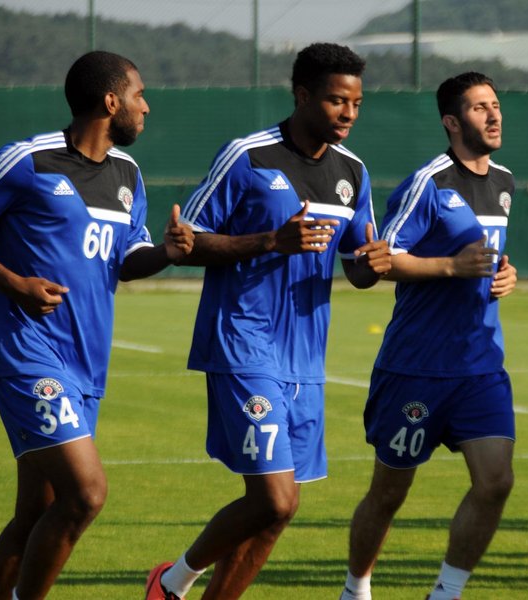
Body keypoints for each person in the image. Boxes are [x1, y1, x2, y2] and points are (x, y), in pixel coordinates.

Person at [0, 50, 194, 600]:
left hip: (86, 366)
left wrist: (167, 252)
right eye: (140, 95)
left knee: (36, 512)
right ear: (111, 101)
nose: (147, 106)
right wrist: (11, 283)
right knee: (86, 494)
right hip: (27, 354)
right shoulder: (29, 159)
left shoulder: (128, 173)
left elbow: (128, 258)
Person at [143, 42, 392, 600]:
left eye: (356, 103)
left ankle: (175, 585)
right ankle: (173, 579)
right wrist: (270, 241)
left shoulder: (353, 172)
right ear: (302, 95)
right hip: (242, 341)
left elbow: (358, 266)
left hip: (305, 358)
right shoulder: (248, 156)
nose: (349, 113)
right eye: (336, 101)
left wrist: (374, 265)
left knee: (280, 509)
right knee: (275, 498)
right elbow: (190, 243)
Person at [339, 71, 519, 600]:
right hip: (416, 367)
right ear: (451, 122)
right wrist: (450, 267)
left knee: (496, 482)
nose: (493, 114)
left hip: (480, 365)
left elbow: (488, 258)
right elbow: (382, 260)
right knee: (389, 493)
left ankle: (445, 593)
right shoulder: (429, 183)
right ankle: (356, 589)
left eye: (495, 104)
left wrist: (506, 274)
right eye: (479, 107)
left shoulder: (504, 183)